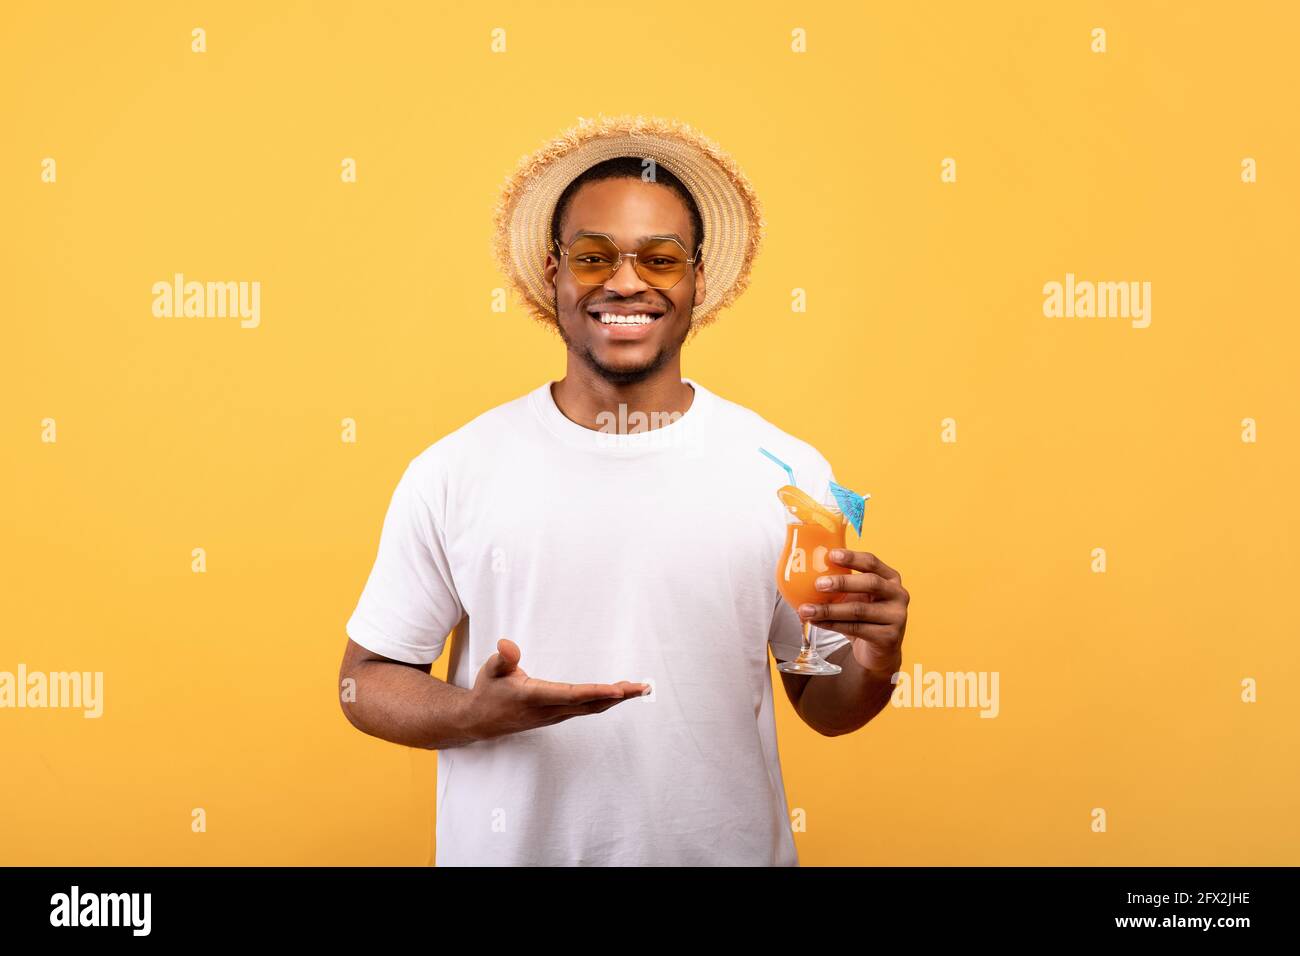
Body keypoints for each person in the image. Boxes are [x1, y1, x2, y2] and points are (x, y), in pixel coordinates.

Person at [339, 115, 910, 865]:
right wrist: (475, 713)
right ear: (554, 274)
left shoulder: (788, 473)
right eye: (593, 255)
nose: (626, 281)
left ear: (699, 279)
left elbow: (828, 710)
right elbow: (366, 682)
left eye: (661, 260)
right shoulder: (456, 469)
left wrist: (878, 659)